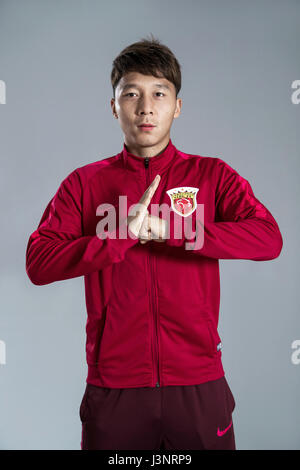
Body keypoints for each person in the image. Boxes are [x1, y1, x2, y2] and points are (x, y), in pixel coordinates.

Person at [25, 34, 283, 450]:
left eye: (159, 93)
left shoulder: (213, 176)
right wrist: (117, 236)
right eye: (131, 93)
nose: (146, 107)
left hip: (198, 382)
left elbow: (268, 239)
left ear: (177, 106)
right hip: (115, 385)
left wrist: (175, 231)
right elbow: (39, 263)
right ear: (114, 106)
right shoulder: (84, 184)